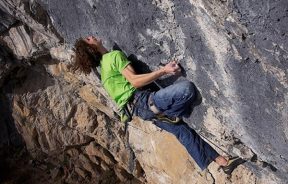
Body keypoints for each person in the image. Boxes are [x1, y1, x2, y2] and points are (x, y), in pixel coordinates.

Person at [73, 36, 245, 174]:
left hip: (139, 111)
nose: (91, 37)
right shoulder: (113, 57)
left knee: (182, 131)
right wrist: (164, 70)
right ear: (91, 48)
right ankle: (172, 113)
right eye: (88, 40)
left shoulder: (103, 71)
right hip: (144, 102)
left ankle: (223, 163)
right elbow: (134, 82)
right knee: (187, 89)